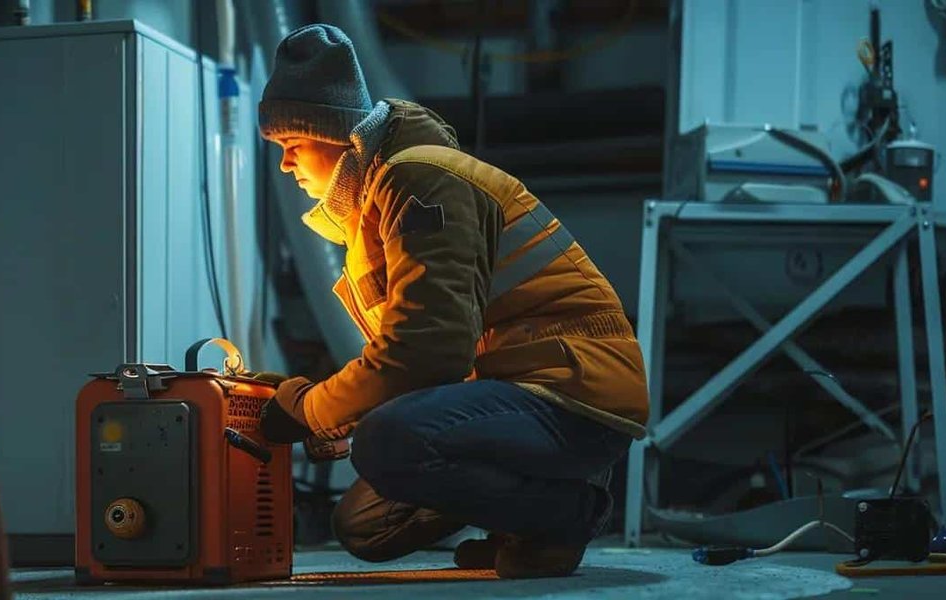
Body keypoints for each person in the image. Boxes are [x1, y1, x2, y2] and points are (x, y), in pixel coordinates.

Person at [252, 24, 649, 579]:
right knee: (365, 526)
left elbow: (428, 352)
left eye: (292, 146)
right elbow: (427, 362)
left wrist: (313, 410)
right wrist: (334, 413)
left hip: (570, 392)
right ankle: (530, 529)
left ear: (337, 136)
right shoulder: (377, 207)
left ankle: (567, 511)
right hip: (523, 393)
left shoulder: (420, 181)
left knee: (389, 442)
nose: (285, 165)